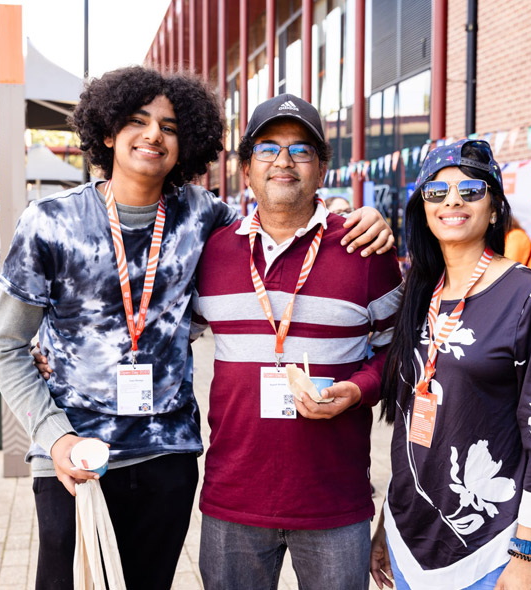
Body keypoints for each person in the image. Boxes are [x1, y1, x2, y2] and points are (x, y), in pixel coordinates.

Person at [0, 67, 393, 590]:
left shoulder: (205, 219)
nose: (154, 134)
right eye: (137, 120)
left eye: (170, 126)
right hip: (75, 453)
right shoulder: (49, 222)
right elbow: (6, 345)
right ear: (107, 132)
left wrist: (352, 216)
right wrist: (53, 435)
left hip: (166, 454)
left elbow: (283, 216)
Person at [191, 94, 403, 589]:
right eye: (267, 148)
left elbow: (399, 350)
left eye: (301, 149)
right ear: (246, 168)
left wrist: (359, 390)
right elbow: (164, 332)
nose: (283, 161)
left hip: (333, 501)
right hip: (234, 497)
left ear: (322, 167)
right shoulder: (213, 253)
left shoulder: (363, 249)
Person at [371, 139, 531, 590]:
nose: (452, 201)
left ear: (496, 207)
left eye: (470, 189)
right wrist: (388, 522)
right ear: (422, 208)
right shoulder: (418, 295)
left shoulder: (529, 296)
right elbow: (410, 424)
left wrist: (529, 554)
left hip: (490, 548)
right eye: (436, 192)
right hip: (409, 538)